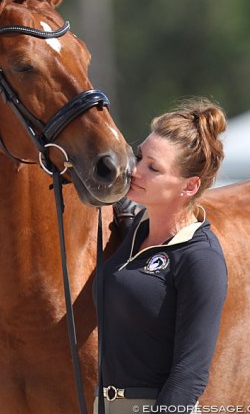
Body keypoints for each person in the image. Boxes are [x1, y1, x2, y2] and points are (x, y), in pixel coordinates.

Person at [94, 98, 228, 414]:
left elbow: (190, 374)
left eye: (153, 168)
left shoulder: (201, 258)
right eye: (139, 157)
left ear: (189, 186)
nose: (135, 170)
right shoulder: (134, 232)